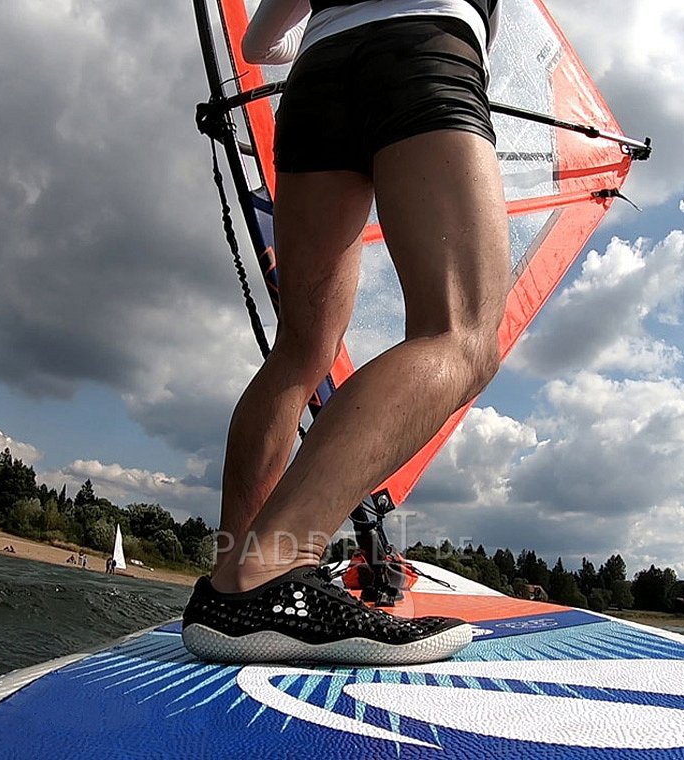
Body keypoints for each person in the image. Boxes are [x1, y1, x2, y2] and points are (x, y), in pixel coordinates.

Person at [183, 0, 507, 665]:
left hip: (316, 79)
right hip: (425, 56)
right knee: (462, 335)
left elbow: (261, 39)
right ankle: (271, 570)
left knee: (299, 352)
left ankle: (230, 589)